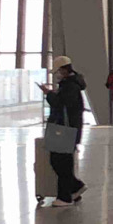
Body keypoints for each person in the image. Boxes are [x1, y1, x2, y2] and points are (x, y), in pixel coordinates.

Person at [39, 56, 87, 207]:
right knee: (61, 161)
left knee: (61, 162)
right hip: (67, 128)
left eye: (58, 71)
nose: (57, 74)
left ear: (65, 70)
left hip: (65, 128)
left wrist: (49, 94)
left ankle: (66, 196)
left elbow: (60, 104)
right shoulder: (71, 84)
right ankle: (75, 188)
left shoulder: (70, 86)